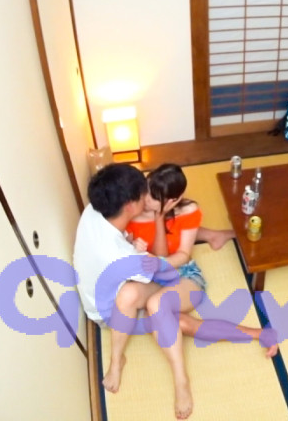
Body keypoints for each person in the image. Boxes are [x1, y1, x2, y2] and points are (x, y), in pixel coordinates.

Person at [74, 163, 194, 419]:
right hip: (111, 310)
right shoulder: (124, 256)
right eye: (143, 194)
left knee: (141, 296)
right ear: (130, 205)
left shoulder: (92, 212)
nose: (147, 198)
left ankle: (117, 360)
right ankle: (178, 378)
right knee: (148, 298)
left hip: (98, 301)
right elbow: (163, 269)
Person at [126, 163, 278, 358]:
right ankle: (260, 333)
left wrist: (159, 217)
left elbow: (176, 257)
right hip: (152, 281)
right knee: (180, 324)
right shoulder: (132, 212)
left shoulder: (186, 210)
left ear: (173, 200)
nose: (146, 199)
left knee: (157, 306)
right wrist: (131, 244)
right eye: (146, 190)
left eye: (154, 197)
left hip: (184, 275)